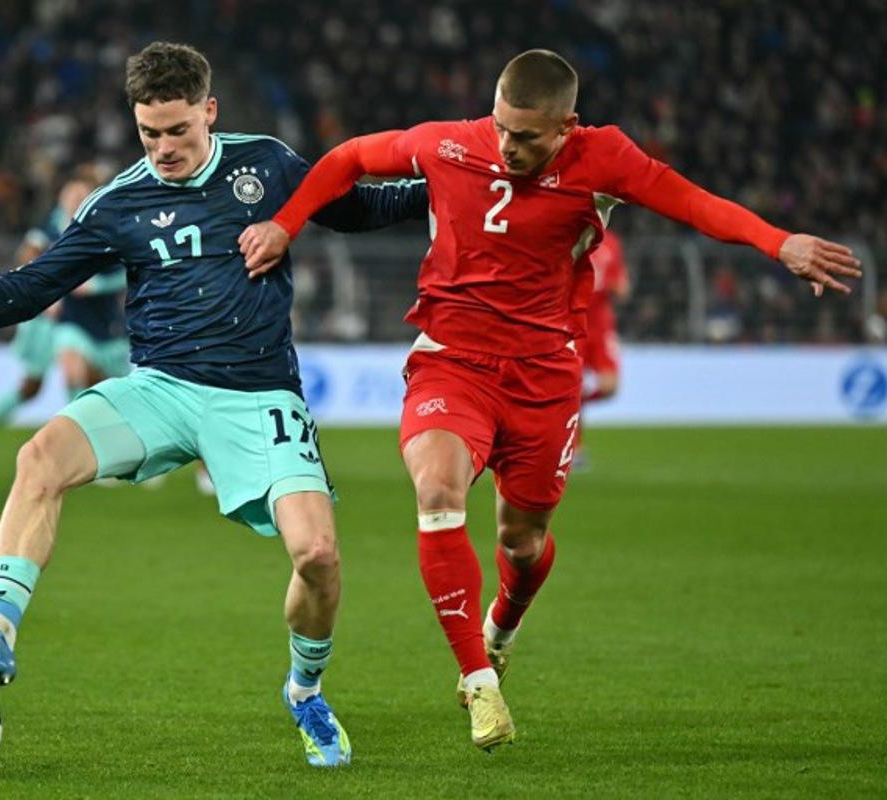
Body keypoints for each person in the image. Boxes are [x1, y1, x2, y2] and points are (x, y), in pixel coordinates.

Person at [238, 49, 861, 752]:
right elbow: (350, 157)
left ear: (567, 126)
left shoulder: (605, 158)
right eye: (502, 127)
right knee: (437, 491)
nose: (507, 145)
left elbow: (690, 201)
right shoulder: (451, 144)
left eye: (527, 136)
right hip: (452, 361)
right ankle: (479, 681)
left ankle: (501, 629)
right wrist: (287, 223)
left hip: (543, 378)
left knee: (523, 541)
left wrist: (778, 243)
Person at [0, 41, 429, 767]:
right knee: (40, 456)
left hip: (258, 393)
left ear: (209, 111)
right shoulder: (117, 203)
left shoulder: (266, 164)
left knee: (319, 556)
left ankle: (305, 692)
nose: (163, 148)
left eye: (178, 130)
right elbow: (35, 285)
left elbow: (357, 209)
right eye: (148, 133)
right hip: (160, 387)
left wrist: (446, 185)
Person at [0, 172, 126, 476]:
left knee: (68, 381)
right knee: (52, 380)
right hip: (49, 323)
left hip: (92, 322)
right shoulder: (50, 228)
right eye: (70, 195)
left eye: (81, 195)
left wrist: (94, 287)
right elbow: (27, 256)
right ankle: (84, 450)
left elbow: (124, 269)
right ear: (62, 199)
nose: (75, 200)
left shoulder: (102, 224)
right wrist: (45, 293)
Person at [572, 227, 631, 469]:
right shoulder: (573, 233)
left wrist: (620, 286)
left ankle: (577, 402)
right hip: (573, 321)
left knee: (610, 386)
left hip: (601, 324)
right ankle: (575, 448)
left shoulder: (612, 242)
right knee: (571, 385)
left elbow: (621, 283)